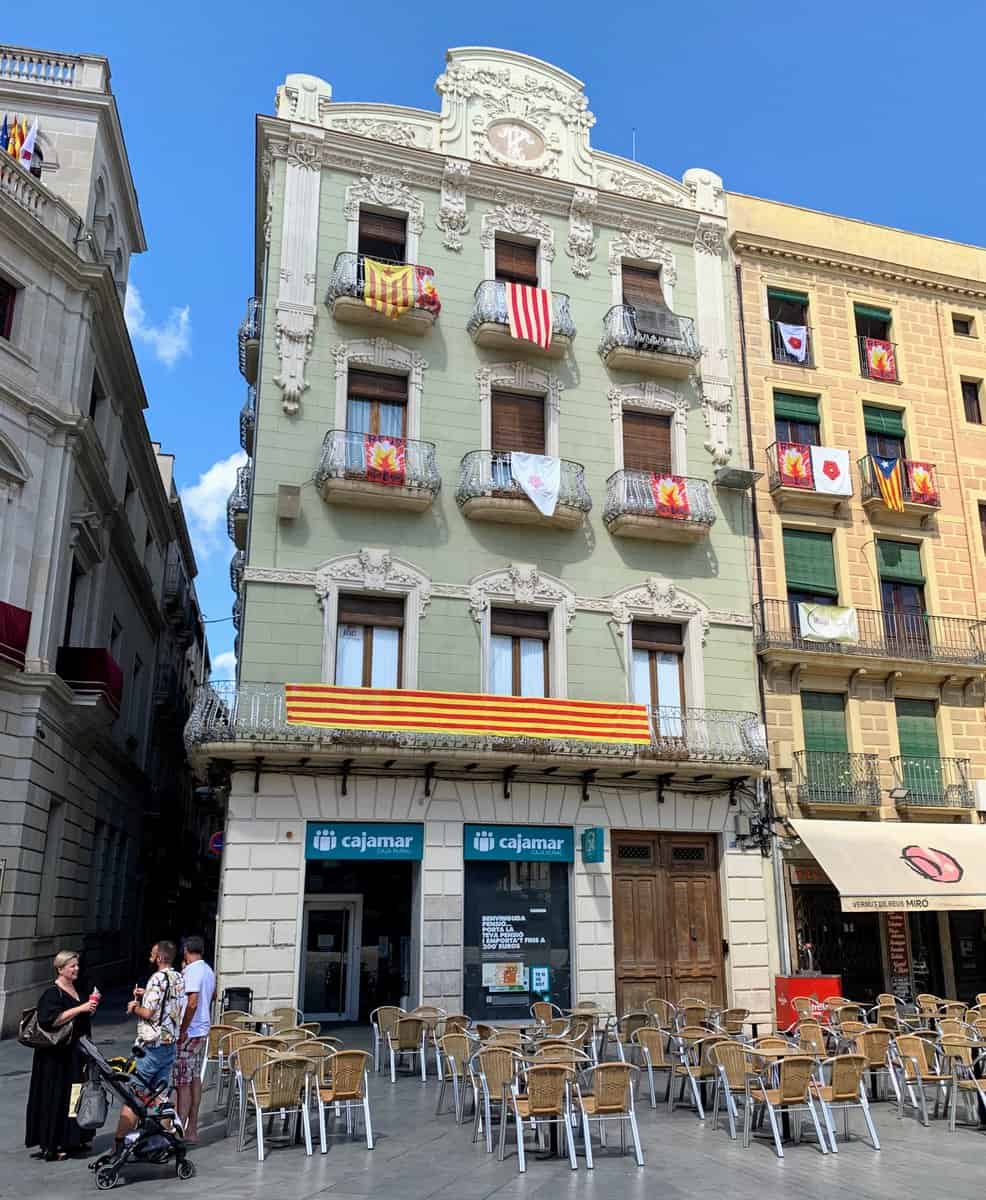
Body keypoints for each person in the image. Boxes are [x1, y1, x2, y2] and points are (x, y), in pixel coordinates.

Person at [24, 950, 100, 1161]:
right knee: (54, 1097)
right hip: (56, 1057)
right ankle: (51, 1144)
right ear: (60, 969)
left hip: (77, 1053)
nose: (76, 969)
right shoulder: (52, 993)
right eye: (71, 966)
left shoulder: (77, 988)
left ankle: (73, 1138)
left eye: (77, 965)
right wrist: (81, 1008)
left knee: (75, 1096)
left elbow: (80, 1013)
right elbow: (50, 1020)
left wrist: (89, 1006)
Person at [113, 941, 184, 1153]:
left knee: (135, 1095)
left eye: (153, 954)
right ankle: (162, 1144)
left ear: (161, 957)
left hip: (151, 1047)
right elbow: (168, 1004)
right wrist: (148, 994)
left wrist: (135, 1006)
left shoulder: (156, 978)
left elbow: (148, 1013)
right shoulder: (178, 977)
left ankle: (118, 1145)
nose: (150, 957)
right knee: (160, 1096)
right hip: (169, 1045)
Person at [173, 936, 215, 1143]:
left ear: (186, 950)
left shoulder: (193, 970)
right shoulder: (208, 969)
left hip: (191, 1031)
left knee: (183, 1082)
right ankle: (192, 1128)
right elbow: (213, 995)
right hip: (202, 1029)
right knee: (194, 1078)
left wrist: (183, 1028)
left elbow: (192, 1002)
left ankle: (179, 1130)